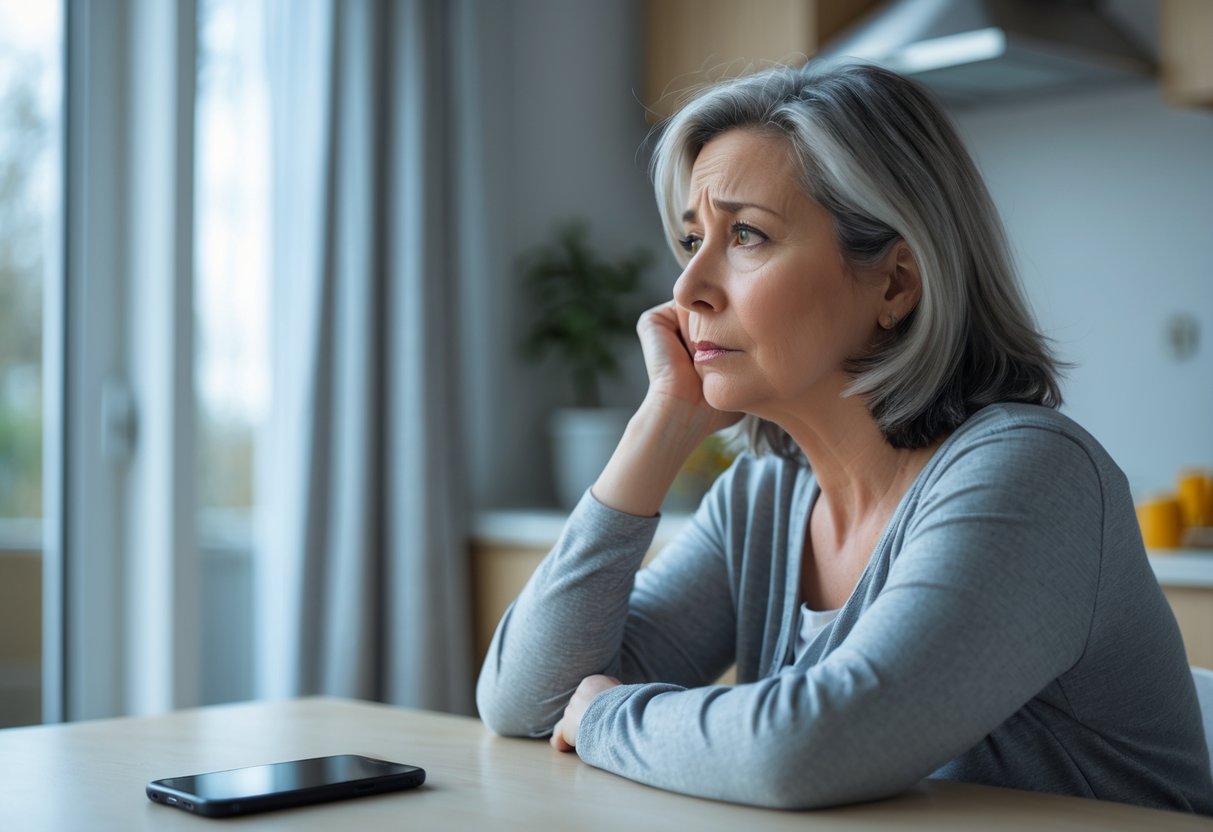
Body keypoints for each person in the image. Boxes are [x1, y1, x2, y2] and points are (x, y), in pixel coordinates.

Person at [475, 62, 1213, 814]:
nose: (686, 288)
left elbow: (807, 752)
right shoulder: (763, 502)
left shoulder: (1032, 476)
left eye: (747, 236)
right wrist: (658, 424)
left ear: (894, 284)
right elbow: (523, 701)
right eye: (692, 238)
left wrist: (605, 716)